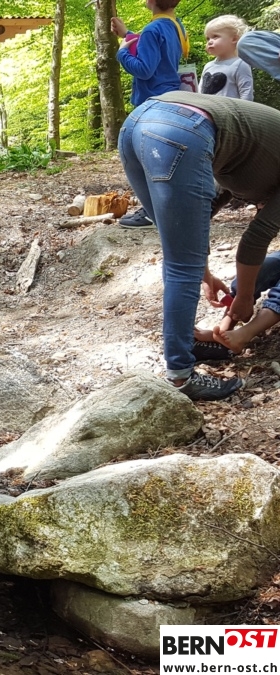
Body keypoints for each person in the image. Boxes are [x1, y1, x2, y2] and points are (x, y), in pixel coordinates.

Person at [118, 92, 280, 400]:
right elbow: (256, 238)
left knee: (180, 257)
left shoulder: (258, 159)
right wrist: (245, 296)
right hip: (185, 131)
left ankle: (185, 344)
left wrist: (204, 273)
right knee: (183, 266)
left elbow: (201, 212)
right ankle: (181, 377)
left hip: (139, 122)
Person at [112, 0, 189, 230]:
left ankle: (151, 212)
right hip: (170, 96)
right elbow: (159, 54)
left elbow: (144, 70)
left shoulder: (152, 29)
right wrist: (127, 34)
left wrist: (121, 53)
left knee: (147, 158)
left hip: (151, 102)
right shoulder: (175, 25)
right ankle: (170, 206)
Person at [199, 15, 253, 99]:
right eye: (208, 38)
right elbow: (200, 92)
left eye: (215, 36)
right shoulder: (208, 66)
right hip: (206, 107)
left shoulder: (240, 64)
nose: (209, 42)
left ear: (234, 39)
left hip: (229, 108)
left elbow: (246, 94)